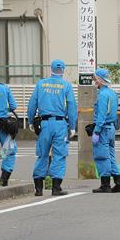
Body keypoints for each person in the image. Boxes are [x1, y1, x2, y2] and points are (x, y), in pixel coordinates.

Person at [27, 60, 78, 197]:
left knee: (42, 154)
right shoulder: (66, 86)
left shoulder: (41, 84)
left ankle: (38, 189)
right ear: (63, 70)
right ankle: (56, 188)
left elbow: (32, 104)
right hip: (60, 124)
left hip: (44, 123)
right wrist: (72, 126)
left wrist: (31, 120)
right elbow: (72, 106)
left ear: (51, 69)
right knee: (59, 155)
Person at [91, 68, 120, 194]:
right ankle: (119, 183)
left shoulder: (103, 95)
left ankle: (105, 185)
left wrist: (97, 131)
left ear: (100, 79)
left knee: (101, 156)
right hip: (111, 128)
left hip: (103, 128)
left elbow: (102, 115)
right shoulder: (112, 93)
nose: (95, 82)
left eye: (95, 79)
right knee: (111, 156)